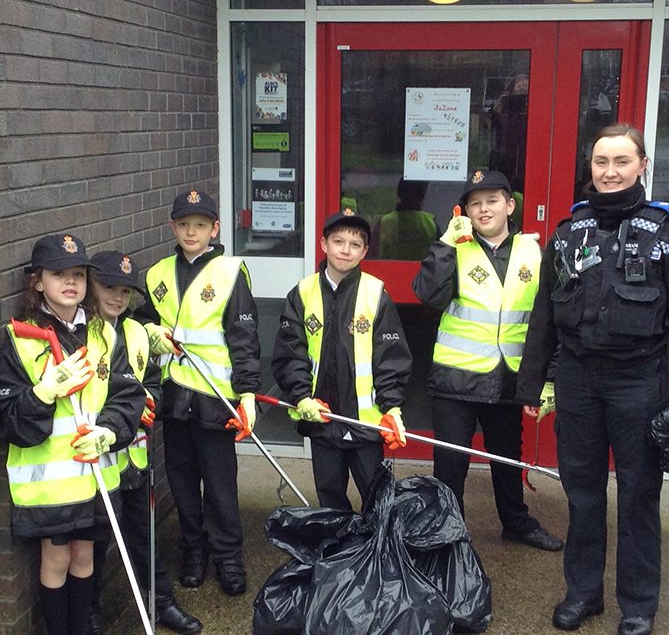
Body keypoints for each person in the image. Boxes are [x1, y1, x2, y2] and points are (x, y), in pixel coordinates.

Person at [516, 124, 669, 635]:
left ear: (642, 165)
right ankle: (583, 594)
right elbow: (544, 317)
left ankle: (639, 604)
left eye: (621, 161)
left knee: (639, 496)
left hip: (638, 381)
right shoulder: (568, 232)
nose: (609, 171)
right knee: (581, 496)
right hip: (579, 381)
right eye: (601, 162)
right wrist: (531, 385)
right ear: (591, 168)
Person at [0, 234, 143, 635]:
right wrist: (42, 393)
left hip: (96, 477)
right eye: (59, 274)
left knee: (86, 557)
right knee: (56, 561)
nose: (70, 283)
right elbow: (4, 416)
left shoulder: (103, 334)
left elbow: (127, 394)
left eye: (78, 274)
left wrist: (109, 432)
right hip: (51, 487)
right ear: (38, 281)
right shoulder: (19, 338)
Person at [412, 169, 563, 553]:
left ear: (510, 206)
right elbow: (428, 295)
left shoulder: (534, 251)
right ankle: (448, 531)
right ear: (465, 211)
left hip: (508, 378)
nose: (484, 209)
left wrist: (547, 380)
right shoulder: (454, 247)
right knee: (450, 464)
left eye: (492, 200)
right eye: (475, 203)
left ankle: (515, 523)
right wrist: (444, 244)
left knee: (506, 459)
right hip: (456, 379)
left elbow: (549, 320)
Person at [135, 189, 261, 596]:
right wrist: (148, 330)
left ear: (215, 229)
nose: (192, 232)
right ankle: (193, 549)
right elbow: (140, 325)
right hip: (172, 399)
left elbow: (244, 338)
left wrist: (248, 395)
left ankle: (227, 556)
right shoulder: (155, 274)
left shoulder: (230, 272)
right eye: (184, 224)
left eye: (201, 225)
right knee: (183, 480)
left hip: (215, 399)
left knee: (220, 485)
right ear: (173, 226)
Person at [88, 250, 202, 635]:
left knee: (143, 535)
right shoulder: (81, 332)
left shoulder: (137, 332)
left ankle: (161, 601)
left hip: (134, 461)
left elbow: (151, 381)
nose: (117, 298)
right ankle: (91, 615)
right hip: (95, 463)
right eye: (108, 287)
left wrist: (150, 399)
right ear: (91, 285)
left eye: (124, 291)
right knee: (96, 543)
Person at [272, 206, 412, 511]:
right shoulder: (302, 293)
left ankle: (377, 555)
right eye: (338, 242)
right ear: (324, 244)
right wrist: (301, 396)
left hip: (366, 424)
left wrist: (393, 408)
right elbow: (289, 353)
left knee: (378, 500)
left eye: (355, 244)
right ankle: (340, 555)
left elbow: (391, 357)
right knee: (330, 499)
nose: (345, 250)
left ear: (365, 251)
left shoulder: (375, 294)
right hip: (321, 418)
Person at [376, 178, 437, 261]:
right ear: (422, 195)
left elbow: (371, 255)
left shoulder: (384, 222)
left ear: (399, 192)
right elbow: (440, 257)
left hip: (388, 272)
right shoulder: (431, 223)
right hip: (423, 273)